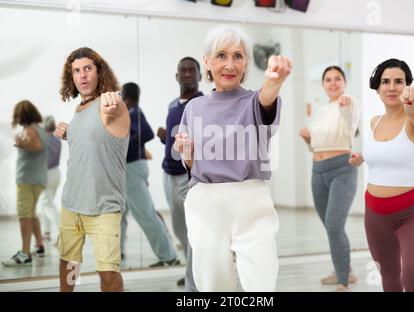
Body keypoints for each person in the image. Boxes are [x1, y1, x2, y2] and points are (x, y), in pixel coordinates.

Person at [174, 25, 292, 292]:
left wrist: (274, 80)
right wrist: (187, 152)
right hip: (205, 201)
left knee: (261, 281)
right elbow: (191, 167)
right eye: (221, 55)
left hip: (251, 200)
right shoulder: (194, 108)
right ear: (207, 61)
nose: (230, 64)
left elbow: (267, 97)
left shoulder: (253, 101)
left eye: (238, 56)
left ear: (246, 62)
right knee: (212, 284)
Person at [349, 59, 414, 292]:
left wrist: (413, 105)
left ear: (408, 86)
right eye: (385, 82)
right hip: (375, 216)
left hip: (412, 214)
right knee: (388, 277)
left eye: (399, 81)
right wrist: (362, 157)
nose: (392, 87)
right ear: (377, 88)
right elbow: (385, 153)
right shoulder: (375, 122)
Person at [55, 47, 130, 292]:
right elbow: (93, 141)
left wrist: (112, 102)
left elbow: (110, 111)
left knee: (108, 274)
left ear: (99, 72)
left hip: (104, 208)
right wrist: (69, 133)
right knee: (69, 266)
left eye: (88, 68)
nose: (82, 75)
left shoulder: (112, 105)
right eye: (76, 71)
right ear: (72, 77)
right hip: (72, 205)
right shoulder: (80, 109)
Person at [299, 66, 359, 292]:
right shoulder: (322, 110)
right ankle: (347, 270)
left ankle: (343, 280)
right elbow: (316, 145)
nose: (333, 83)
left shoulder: (350, 102)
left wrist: (345, 104)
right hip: (317, 170)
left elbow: (350, 119)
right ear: (323, 84)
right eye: (328, 80)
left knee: (334, 225)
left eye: (337, 79)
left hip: (342, 169)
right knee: (331, 227)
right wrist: (307, 139)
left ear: (344, 82)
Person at [120, 82, 179, 267]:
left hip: (133, 168)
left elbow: (147, 134)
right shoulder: (131, 114)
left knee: (145, 214)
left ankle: (168, 256)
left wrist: (129, 141)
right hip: (129, 169)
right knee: (119, 214)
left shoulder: (134, 112)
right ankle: (116, 252)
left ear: (126, 98)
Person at [157, 57, 203, 291]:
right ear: (177, 76)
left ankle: (192, 286)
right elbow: (177, 137)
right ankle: (193, 270)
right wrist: (166, 137)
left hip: (190, 178)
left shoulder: (204, 103)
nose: (187, 74)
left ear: (199, 75)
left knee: (195, 231)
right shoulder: (173, 105)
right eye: (182, 70)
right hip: (169, 176)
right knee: (181, 232)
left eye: (191, 70)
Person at [2, 100, 48, 266]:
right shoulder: (40, 129)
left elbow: (37, 146)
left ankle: (25, 254)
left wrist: (20, 142)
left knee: (24, 216)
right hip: (38, 179)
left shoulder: (29, 130)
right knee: (31, 214)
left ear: (22, 115)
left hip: (28, 181)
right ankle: (40, 245)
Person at [36, 115, 62, 244]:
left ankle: (61, 233)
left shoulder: (43, 139)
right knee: (45, 203)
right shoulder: (56, 139)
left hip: (46, 174)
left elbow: (44, 160)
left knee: (47, 204)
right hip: (56, 173)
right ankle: (46, 232)